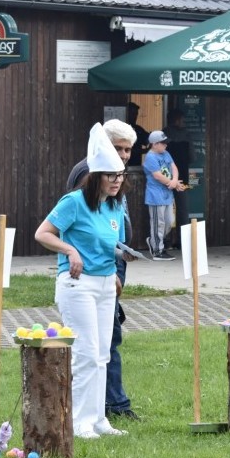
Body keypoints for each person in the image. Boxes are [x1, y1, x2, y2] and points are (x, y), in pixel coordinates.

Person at [34, 124, 133, 439]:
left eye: (120, 177)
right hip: (78, 284)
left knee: (102, 353)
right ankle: (78, 422)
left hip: (105, 285)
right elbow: (43, 233)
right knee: (86, 353)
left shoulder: (114, 205)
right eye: (111, 176)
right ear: (96, 175)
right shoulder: (74, 201)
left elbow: (109, 243)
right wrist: (70, 250)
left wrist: (123, 257)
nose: (117, 182)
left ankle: (98, 419)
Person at [66, 119, 140, 421]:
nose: (123, 156)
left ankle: (105, 408)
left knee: (107, 341)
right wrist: (112, 272)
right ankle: (109, 407)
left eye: (128, 150)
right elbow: (87, 228)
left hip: (111, 265)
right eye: (119, 148)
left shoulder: (109, 170)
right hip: (93, 272)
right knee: (98, 344)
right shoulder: (90, 172)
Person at [143, 129, 184, 260]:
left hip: (167, 194)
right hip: (156, 195)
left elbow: (174, 167)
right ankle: (157, 251)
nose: (166, 145)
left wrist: (174, 181)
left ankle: (154, 240)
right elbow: (157, 175)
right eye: (163, 143)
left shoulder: (166, 153)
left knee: (169, 222)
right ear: (154, 144)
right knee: (158, 223)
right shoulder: (150, 157)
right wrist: (173, 183)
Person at [163, 108, 192, 247]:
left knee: (165, 209)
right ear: (176, 120)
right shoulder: (187, 135)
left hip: (165, 178)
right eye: (182, 119)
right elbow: (193, 157)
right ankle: (183, 242)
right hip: (183, 177)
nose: (184, 122)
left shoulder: (164, 134)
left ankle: (165, 240)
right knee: (183, 210)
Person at [126, 101, 150, 167]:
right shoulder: (121, 128)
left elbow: (146, 139)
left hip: (136, 165)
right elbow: (130, 150)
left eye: (136, 114)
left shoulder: (138, 129)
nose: (135, 116)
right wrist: (145, 150)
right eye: (132, 114)